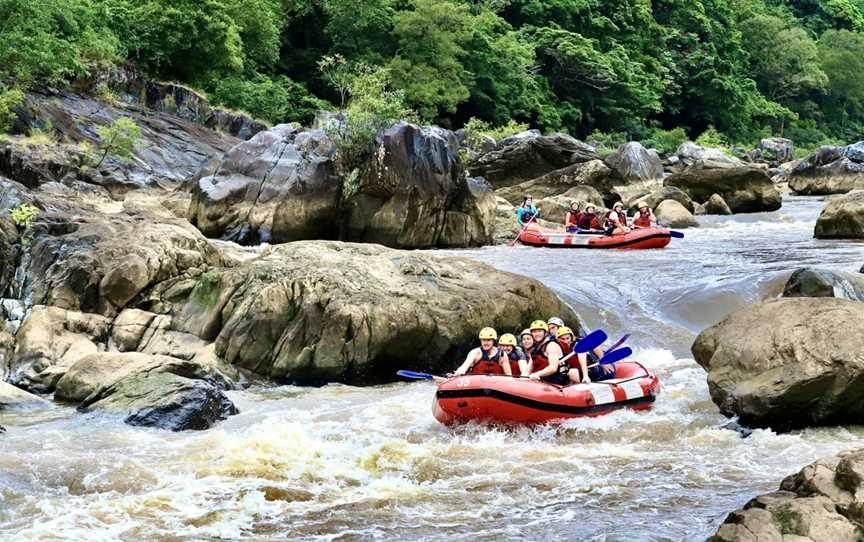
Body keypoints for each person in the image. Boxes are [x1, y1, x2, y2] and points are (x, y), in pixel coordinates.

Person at [525, 320, 569, 385]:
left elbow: (553, 368)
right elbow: (528, 369)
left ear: (545, 333)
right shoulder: (535, 349)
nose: (537, 334)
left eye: (539, 331)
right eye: (534, 332)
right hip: (542, 380)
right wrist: (522, 378)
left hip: (556, 381)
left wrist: (537, 374)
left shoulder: (551, 345)